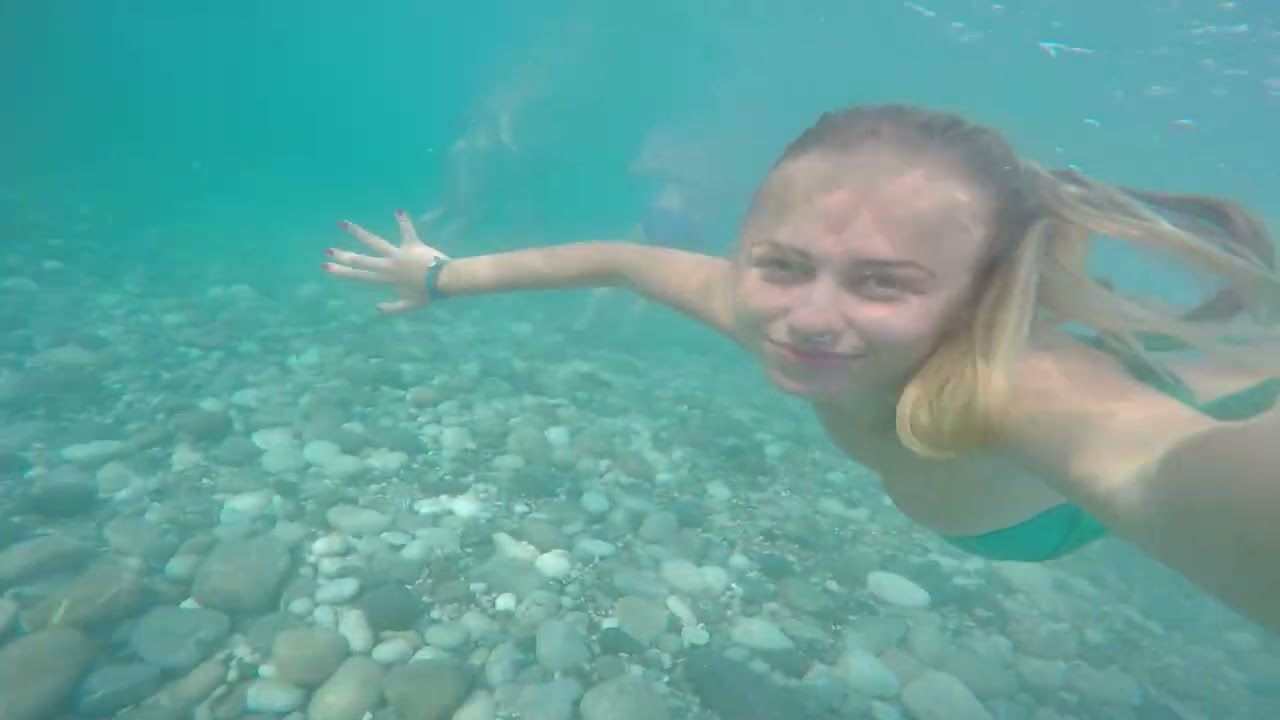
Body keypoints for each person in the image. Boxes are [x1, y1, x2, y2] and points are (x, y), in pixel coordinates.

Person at [322, 104, 1280, 634]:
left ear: (980, 297)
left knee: (1225, 375)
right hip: (1025, 477)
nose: (808, 318)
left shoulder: (1019, 388)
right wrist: (440, 276)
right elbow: (617, 258)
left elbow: (1171, 469)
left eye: (884, 282)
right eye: (781, 263)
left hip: (1063, 508)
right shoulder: (751, 304)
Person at [573, 182, 711, 332]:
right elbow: (640, 234)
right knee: (632, 299)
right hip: (656, 261)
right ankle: (601, 330)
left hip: (654, 261)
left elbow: (637, 234)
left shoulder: (675, 217)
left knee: (627, 297)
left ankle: (589, 328)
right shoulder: (677, 218)